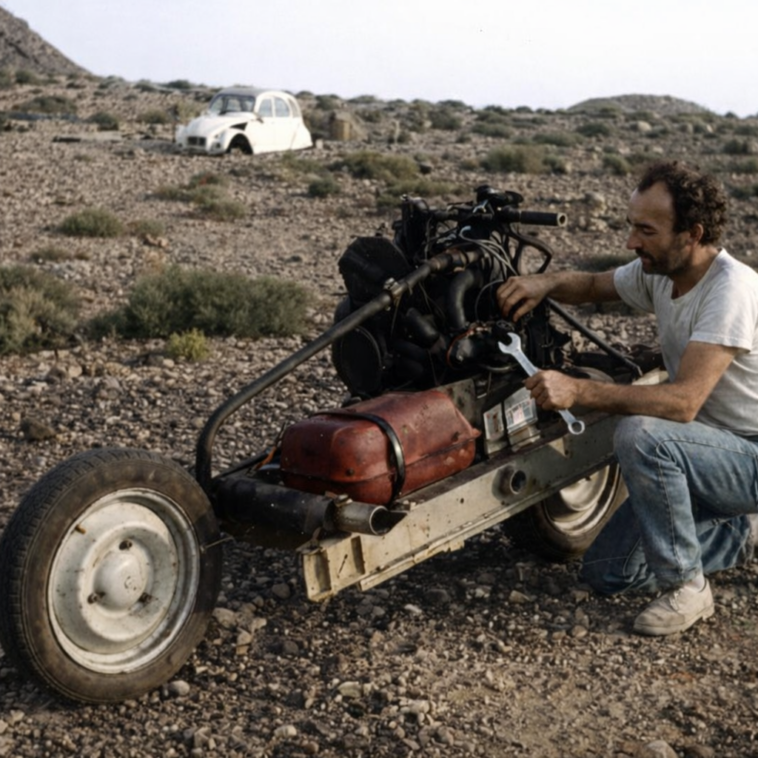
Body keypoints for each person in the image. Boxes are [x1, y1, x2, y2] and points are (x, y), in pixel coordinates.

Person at [496, 161, 758, 636]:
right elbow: (594, 285)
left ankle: (688, 587)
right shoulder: (662, 271)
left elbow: (682, 404)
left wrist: (578, 389)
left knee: (643, 434)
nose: (631, 242)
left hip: (748, 453)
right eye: (631, 226)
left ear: (692, 234)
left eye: (646, 230)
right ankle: (740, 533)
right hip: (708, 449)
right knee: (609, 571)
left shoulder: (730, 290)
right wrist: (545, 283)